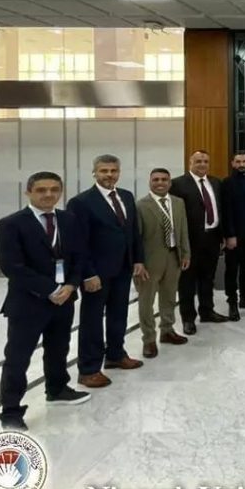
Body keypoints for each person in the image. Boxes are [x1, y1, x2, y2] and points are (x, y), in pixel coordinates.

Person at [0, 171, 91, 430]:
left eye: (54, 189)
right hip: (28, 302)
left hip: (64, 299)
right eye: (41, 190)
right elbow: (12, 266)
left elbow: (79, 256)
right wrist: (50, 289)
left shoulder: (68, 220)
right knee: (18, 357)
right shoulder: (11, 224)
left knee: (59, 348)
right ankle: (11, 410)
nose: (48, 194)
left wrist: (71, 285)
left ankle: (57, 389)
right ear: (28, 192)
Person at [67, 154, 145, 389]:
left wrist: (138, 259)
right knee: (92, 320)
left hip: (123, 268)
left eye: (113, 171)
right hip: (96, 273)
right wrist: (88, 274)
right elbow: (78, 242)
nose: (109, 175)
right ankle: (89, 369)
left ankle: (115, 355)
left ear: (119, 172)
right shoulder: (81, 202)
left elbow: (133, 232)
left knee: (119, 314)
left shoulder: (126, 196)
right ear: (94, 173)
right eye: (104, 171)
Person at [170, 149, 231, 334]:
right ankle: (188, 318)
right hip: (189, 240)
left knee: (207, 278)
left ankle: (207, 311)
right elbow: (174, 215)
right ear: (190, 163)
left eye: (205, 161)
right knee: (187, 281)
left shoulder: (215, 182)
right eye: (198, 161)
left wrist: (222, 235)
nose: (202, 164)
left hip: (212, 238)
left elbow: (220, 209)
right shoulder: (178, 184)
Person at [135, 168, 190, 358]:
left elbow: (183, 229)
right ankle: (149, 339)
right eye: (156, 179)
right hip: (150, 261)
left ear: (170, 182)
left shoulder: (178, 202)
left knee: (169, 297)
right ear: (150, 182)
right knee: (146, 301)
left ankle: (167, 330)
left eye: (164, 179)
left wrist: (186, 253)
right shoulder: (140, 205)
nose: (160, 183)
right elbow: (136, 238)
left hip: (174, 257)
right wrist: (138, 262)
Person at [220, 150, 245, 320]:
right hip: (233, 236)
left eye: (244, 161)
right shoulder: (227, 183)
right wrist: (230, 235)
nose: (241, 164)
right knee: (231, 269)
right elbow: (226, 211)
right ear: (232, 163)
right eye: (238, 162)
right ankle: (232, 303)